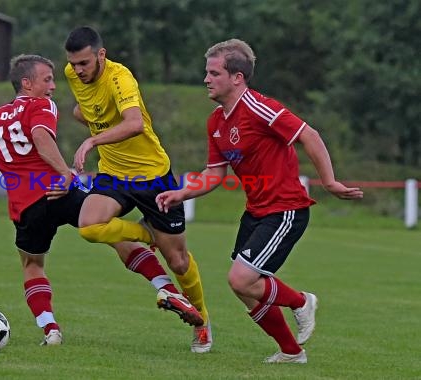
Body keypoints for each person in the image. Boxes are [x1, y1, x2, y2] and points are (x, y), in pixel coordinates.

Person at [0, 54, 202, 346]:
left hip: (25, 208)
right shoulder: (40, 105)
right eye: (47, 79)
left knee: (32, 265)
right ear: (27, 83)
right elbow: (40, 136)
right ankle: (165, 286)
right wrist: (64, 173)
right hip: (59, 192)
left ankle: (51, 330)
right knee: (114, 236)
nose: (53, 86)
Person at [156, 39, 364, 363]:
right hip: (256, 211)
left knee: (240, 279)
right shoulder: (215, 121)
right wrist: (182, 193)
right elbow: (214, 173)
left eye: (214, 73)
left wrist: (329, 181)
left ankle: (301, 302)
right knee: (244, 289)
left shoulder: (259, 107)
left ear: (237, 77)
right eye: (206, 73)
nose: (206, 79)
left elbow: (309, 135)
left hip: (286, 210)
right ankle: (292, 352)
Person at [64, 26, 212, 353]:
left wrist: (92, 139)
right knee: (89, 226)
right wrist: (92, 124)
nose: (78, 70)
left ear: (101, 55)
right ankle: (147, 235)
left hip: (152, 176)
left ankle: (202, 319)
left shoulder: (121, 78)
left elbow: (134, 124)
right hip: (114, 173)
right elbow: (84, 109)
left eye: (85, 63)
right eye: (73, 64)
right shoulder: (73, 75)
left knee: (178, 261)